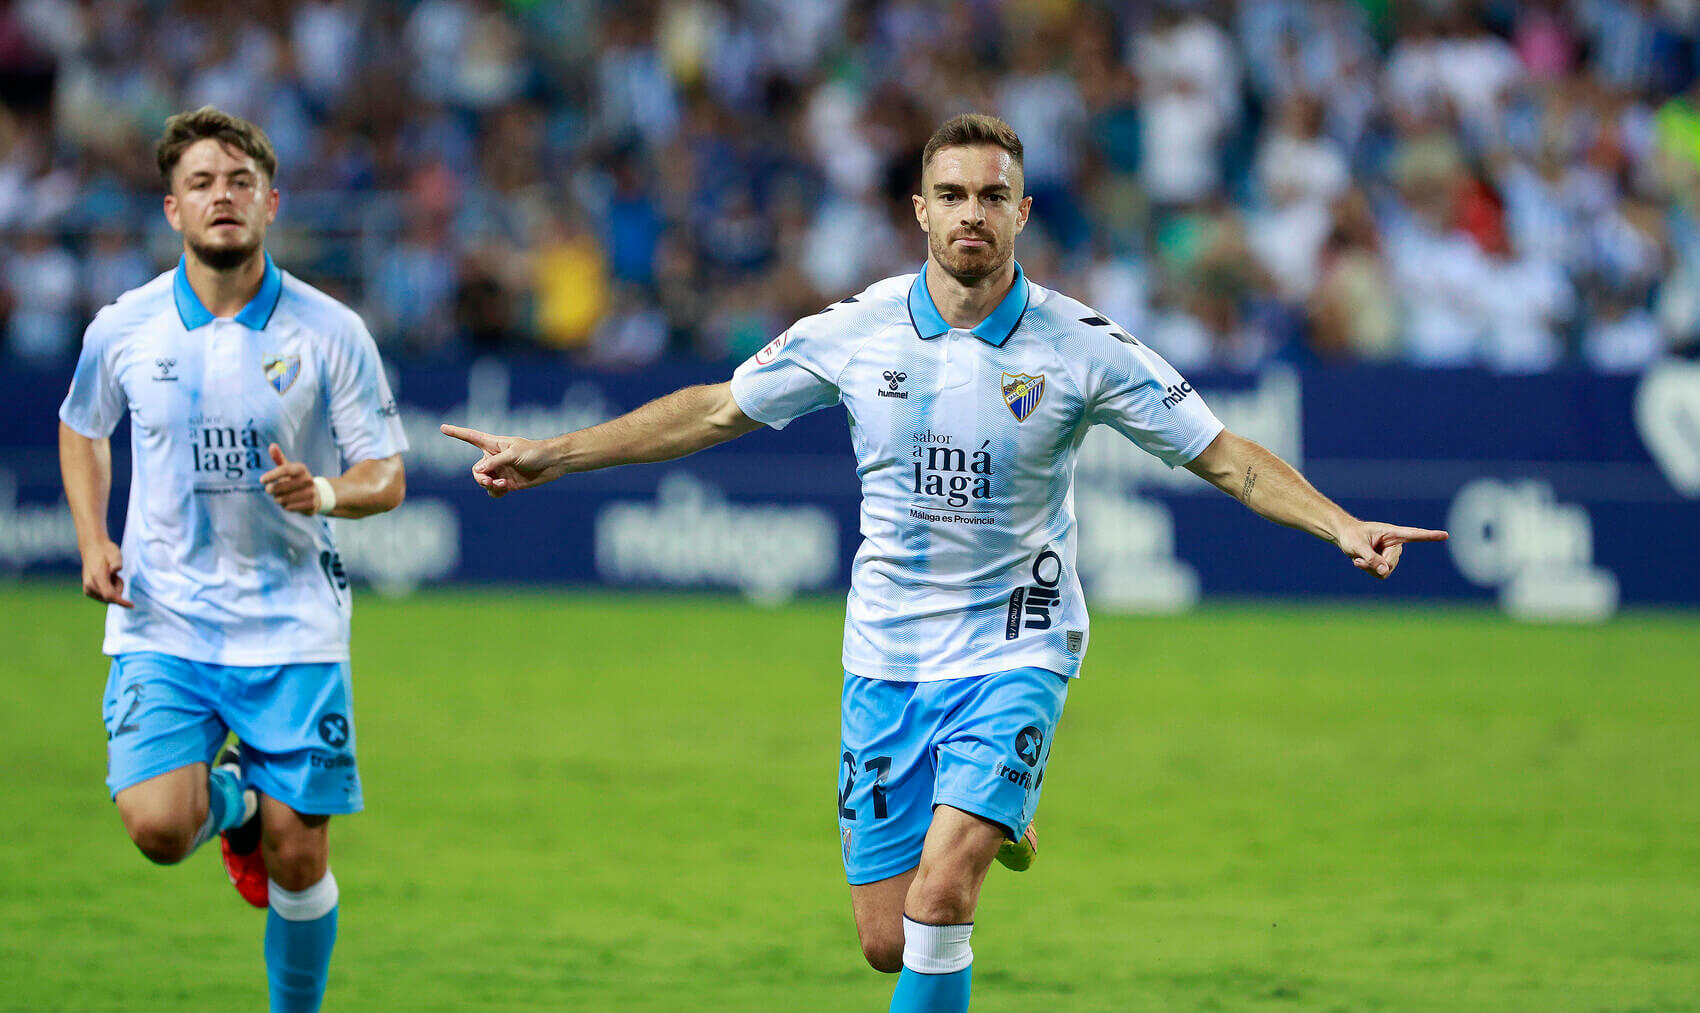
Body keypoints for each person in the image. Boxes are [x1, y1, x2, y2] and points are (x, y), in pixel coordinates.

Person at [441, 113, 1446, 1013]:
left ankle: (985, 808)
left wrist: (1338, 524)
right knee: (887, 940)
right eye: (954, 196)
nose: (973, 214)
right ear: (919, 208)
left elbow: (1222, 454)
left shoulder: (1081, 344)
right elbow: (709, 409)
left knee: (939, 896)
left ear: (1023, 212)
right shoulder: (855, 331)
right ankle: (1003, 812)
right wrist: (553, 453)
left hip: (1019, 639)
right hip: (886, 653)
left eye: (993, 197)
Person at [58, 106, 407, 1013]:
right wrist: (93, 535)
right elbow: (81, 426)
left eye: (241, 181)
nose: (224, 196)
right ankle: (236, 809)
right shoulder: (125, 326)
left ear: (272, 203)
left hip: (292, 624)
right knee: (159, 827)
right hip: (163, 618)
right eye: (203, 183)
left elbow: (386, 472)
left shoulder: (331, 330)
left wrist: (326, 492)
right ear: (172, 210)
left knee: (302, 853)